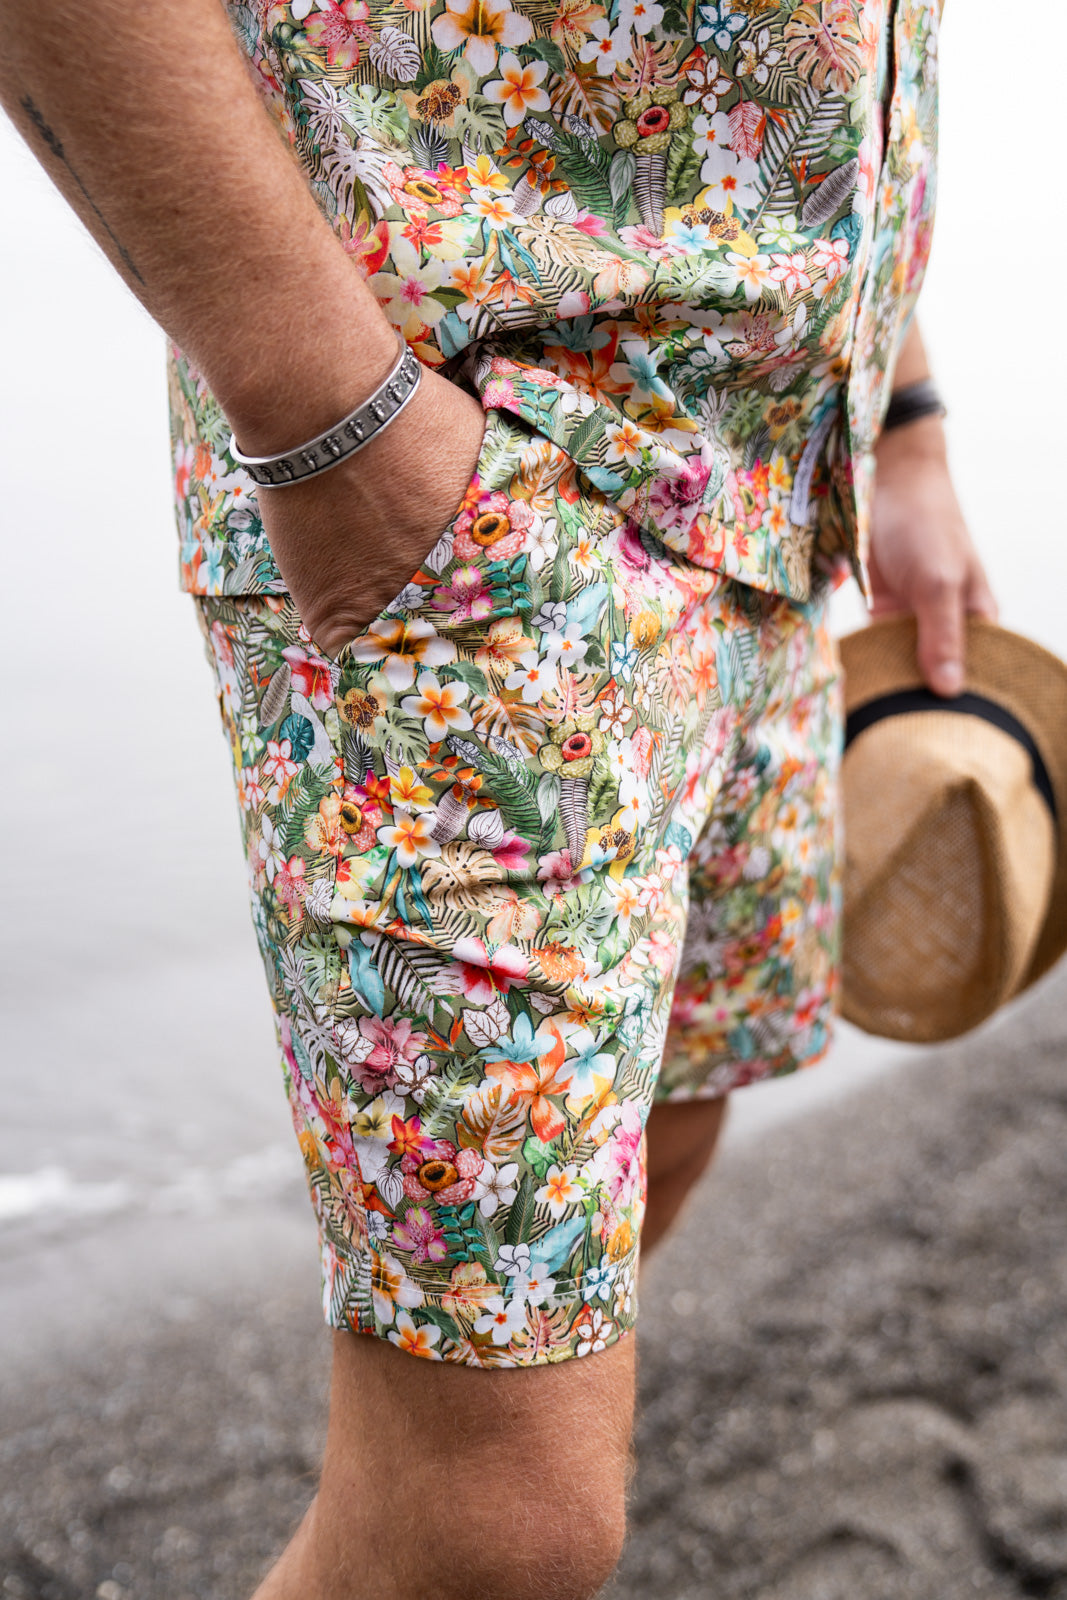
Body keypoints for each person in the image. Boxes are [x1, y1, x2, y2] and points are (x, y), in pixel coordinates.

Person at [2, 0, 997, 1594]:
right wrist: (331, 421)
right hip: (489, 489)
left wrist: (906, 425)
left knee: (679, 1108)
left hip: (774, 491)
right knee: (502, 1526)